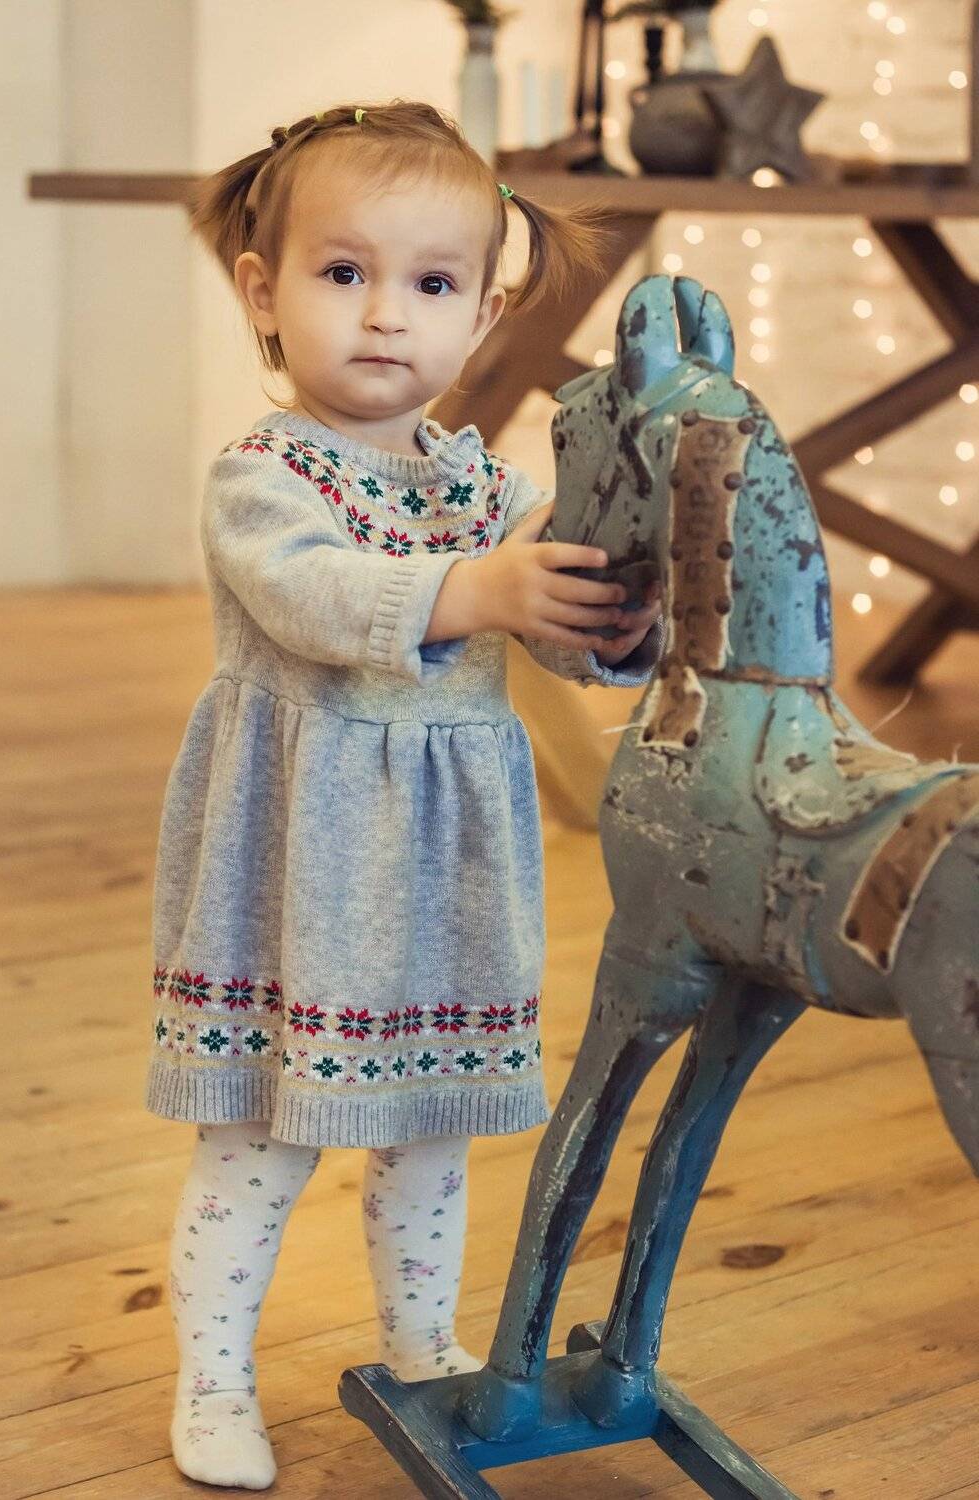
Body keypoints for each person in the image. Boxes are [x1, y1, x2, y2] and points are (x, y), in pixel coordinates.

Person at [146, 99, 663, 1489]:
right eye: (342, 272)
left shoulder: (485, 489)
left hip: (442, 874)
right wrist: (479, 590)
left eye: (432, 284)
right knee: (259, 1138)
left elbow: (554, 619)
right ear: (263, 291)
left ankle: (424, 1346)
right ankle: (211, 1376)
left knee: (433, 1130)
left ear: (482, 314)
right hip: (296, 866)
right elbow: (316, 597)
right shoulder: (262, 478)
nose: (387, 315)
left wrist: (607, 610)